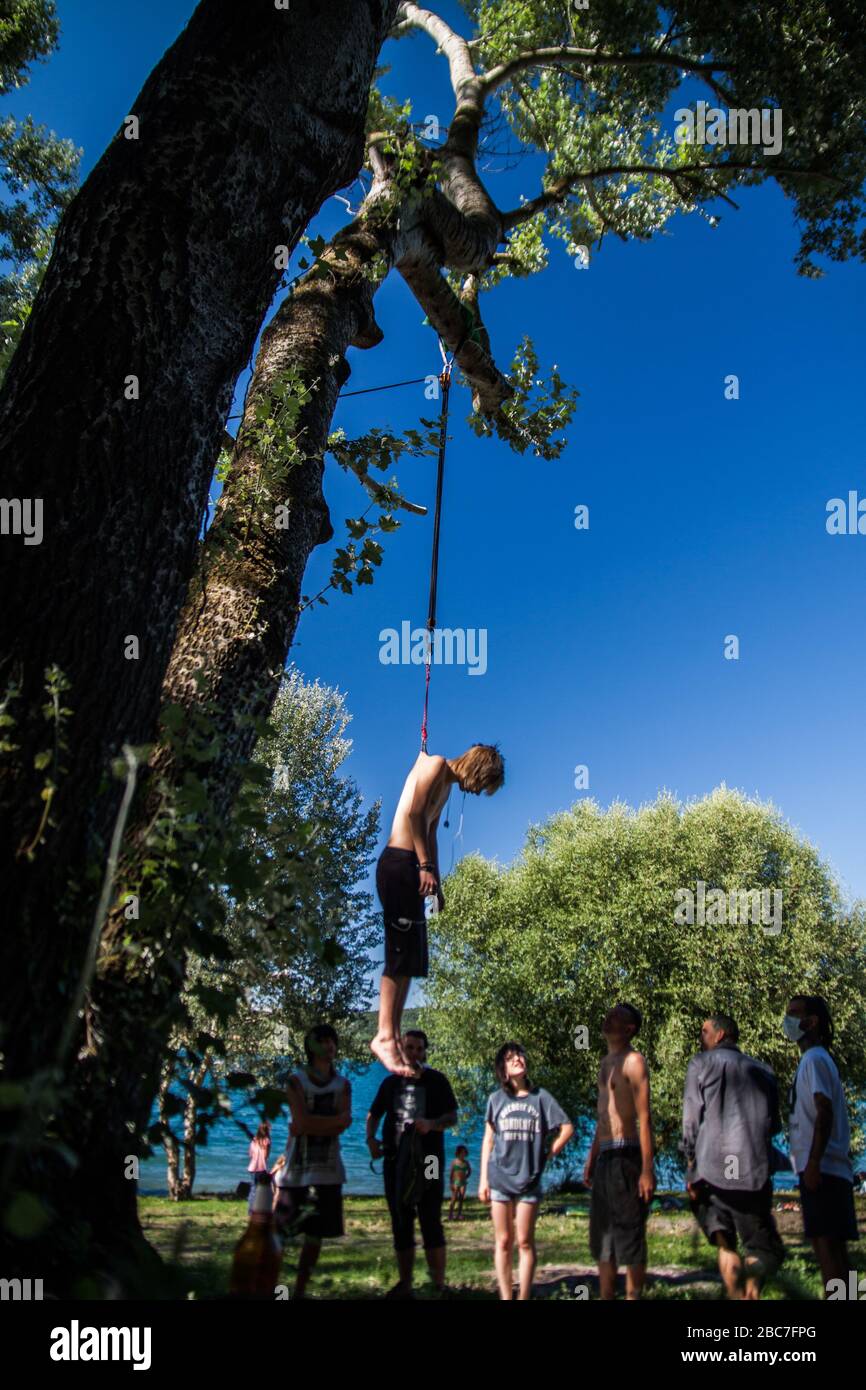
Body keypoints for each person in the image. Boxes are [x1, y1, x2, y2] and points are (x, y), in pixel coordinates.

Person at [370, 743, 504, 1077]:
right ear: (478, 768)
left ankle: (393, 1034)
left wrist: (437, 886)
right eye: (482, 784)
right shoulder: (434, 765)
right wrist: (424, 867)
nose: (476, 792)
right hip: (400, 863)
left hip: (414, 867)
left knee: (413, 959)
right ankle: (383, 1034)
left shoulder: (444, 787)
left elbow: (430, 834)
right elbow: (415, 814)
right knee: (399, 951)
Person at [682, 1013, 785, 1299]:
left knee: (726, 1244)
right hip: (752, 1170)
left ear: (720, 1034)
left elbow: (691, 1119)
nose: (700, 1037)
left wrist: (690, 1165)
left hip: (711, 1170)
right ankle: (753, 1284)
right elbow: (773, 1125)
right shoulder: (764, 1070)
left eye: (704, 1031)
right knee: (760, 1246)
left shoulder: (699, 1065)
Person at [366, 1029, 458, 1299]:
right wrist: (370, 1138)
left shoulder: (437, 1081)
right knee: (400, 1219)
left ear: (426, 1052)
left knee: (430, 1216)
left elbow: (452, 1116)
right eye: (410, 1048)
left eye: (420, 1049)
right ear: (401, 1050)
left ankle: (438, 1285)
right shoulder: (391, 1082)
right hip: (395, 1159)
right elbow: (374, 1113)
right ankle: (405, 1284)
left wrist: (432, 1124)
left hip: (429, 1159)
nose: (415, 1053)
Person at [479, 1042, 573, 1301]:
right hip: (499, 1178)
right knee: (503, 1241)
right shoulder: (496, 1100)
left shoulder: (541, 1097)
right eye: (511, 1058)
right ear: (504, 1070)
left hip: (529, 1181)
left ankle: (525, 1296)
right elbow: (488, 1140)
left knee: (524, 1241)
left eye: (520, 1055)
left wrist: (548, 1152)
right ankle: (506, 1296)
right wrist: (483, 1180)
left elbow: (566, 1127)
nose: (519, 1059)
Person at [785, 994, 859, 1295]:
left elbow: (823, 1109)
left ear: (811, 1021)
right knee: (838, 1251)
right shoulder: (819, 1059)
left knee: (826, 1249)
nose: (788, 1020)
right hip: (832, 1168)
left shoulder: (814, 1059)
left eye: (794, 1013)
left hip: (823, 1168)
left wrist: (813, 1161)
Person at [274, 1024, 352, 1299]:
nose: (330, 1046)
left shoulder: (343, 1084)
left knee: (315, 1235)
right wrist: (325, 1124)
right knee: (281, 1232)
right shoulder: (296, 1081)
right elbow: (302, 1121)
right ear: (311, 1046)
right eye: (323, 1041)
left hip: (328, 1171)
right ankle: (273, 1287)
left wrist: (310, 1124)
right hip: (295, 1170)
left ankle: (299, 1291)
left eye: (333, 1040)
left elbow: (344, 1123)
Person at [584, 1003, 655, 1300]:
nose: (608, 1017)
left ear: (629, 1028)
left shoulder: (634, 1061)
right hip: (605, 1157)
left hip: (628, 1156)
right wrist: (591, 1157)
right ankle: (605, 1296)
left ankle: (633, 1295)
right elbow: (604, 1116)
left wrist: (647, 1170)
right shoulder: (605, 1063)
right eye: (609, 1013)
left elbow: (645, 1117)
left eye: (617, 1016)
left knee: (630, 1233)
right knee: (603, 1236)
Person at [246, 1121, 271, 1212]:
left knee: (253, 1188)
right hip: (261, 1168)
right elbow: (266, 1156)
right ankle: (258, 1209)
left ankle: (250, 1210)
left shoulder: (254, 1140)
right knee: (261, 1189)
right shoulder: (267, 1141)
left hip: (252, 1167)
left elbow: (250, 1154)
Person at [449, 1145, 471, 1221]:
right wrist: (451, 1183)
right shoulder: (454, 1162)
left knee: (461, 1198)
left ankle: (459, 1214)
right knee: (454, 1198)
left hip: (463, 1182)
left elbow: (469, 1171)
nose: (463, 1154)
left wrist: (466, 1177)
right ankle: (450, 1215)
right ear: (458, 1153)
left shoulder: (466, 1162)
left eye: (464, 1152)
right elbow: (451, 1173)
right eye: (461, 1152)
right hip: (455, 1182)